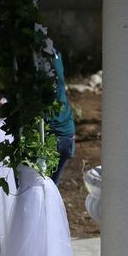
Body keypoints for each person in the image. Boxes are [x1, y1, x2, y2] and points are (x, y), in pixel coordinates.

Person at [48, 50, 75, 186]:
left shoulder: (31, 56)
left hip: (49, 134)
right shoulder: (54, 52)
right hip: (66, 130)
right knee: (51, 188)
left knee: (34, 191)